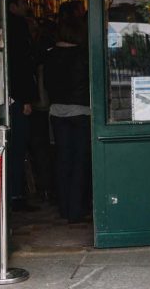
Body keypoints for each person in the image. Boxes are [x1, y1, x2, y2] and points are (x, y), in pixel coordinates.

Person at [41, 14, 91, 223]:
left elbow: (45, 84)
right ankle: (77, 209)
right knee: (80, 160)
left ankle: (63, 207)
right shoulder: (84, 55)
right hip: (81, 111)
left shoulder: (49, 55)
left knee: (62, 159)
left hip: (57, 112)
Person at [6, 0, 40, 211]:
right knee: (18, 145)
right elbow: (22, 65)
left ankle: (11, 193)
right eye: (23, 1)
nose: (27, 5)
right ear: (13, 6)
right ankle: (16, 194)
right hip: (17, 96)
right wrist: (26, 98)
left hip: (8, 95)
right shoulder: (18, 27)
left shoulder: (8, 25)